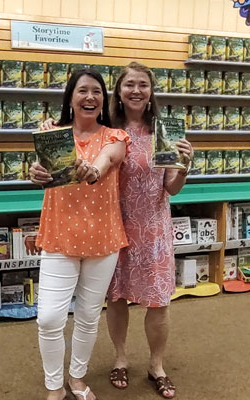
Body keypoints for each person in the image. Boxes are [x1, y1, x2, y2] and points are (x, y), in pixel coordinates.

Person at [39, 62, 193, 399]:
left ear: (151, 92)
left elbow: (172, 187)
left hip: (151, 230)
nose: (136, 90)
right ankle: (120, 359)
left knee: (157, 303)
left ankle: (157, 366)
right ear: (118, 92)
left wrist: (185, 167)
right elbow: (78, 157)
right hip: (110, 227)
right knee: (115, 299)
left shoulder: (163, 132)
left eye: (143, 85)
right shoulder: (107, 128)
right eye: (129, 85)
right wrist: (50, 139)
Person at [28, 68, 130, 400]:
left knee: (88, 315)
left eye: (97, 92)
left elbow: (107, 159)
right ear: (70, 98)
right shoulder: (51, 132)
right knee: (49, 318)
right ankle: (54, 385)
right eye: (83, 91)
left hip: (103, 237)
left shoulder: (116, 137)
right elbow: (43, 172)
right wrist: (36, 172)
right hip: (60, 236)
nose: (90, 97)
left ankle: (77, 378)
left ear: (104, 100)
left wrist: (94, 170)